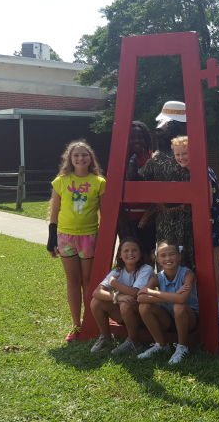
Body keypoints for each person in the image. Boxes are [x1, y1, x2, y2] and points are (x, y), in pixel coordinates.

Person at [47, 140, 106, 342]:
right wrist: (51, 239)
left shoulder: (99, 182)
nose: (80, 158)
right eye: (76, 155)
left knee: (88, 281)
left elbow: (105, 214)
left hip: (89, 236)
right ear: (70, 159)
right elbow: (54, 212)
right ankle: (76, 324)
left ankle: (91, 322)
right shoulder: (61, 181)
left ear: (91, 159)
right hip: (65, 237)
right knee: (72, 281)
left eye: (84, 155)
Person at [129, 105, 194, 270]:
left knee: (188, 251)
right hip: (163, 217)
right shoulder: (157, 157)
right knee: (166, 251)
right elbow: (143, 179)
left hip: (186, 216)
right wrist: (134, 175)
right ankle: (167, 285)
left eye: (167, 124)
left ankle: (189, 286)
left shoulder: (189, 156)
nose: (160, 128)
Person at [170, 135, 219, 292]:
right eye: (177, 154)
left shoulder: (202, 170)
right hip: (204, 218)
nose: (181, 157)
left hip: (213, 219)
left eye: (185, 153)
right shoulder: (190, 170)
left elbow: (207, 202)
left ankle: (218, 301)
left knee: (213, 262)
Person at [136, 240, 199, 364]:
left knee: (178, 306)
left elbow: (181, 300)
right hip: (168, 319)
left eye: (172, 254)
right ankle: (161, 345)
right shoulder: (157, 277)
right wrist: (174, 295)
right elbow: (140, 298)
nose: (168, 259)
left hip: (189, 319)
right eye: (163, 256)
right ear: (157, 259)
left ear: (179, 256)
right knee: (144, 307)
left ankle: (182, 346)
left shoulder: (188, 275)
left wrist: (153, 292)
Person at [89, 237, 155, 354]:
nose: (130, 253)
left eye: (134, 250)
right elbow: (97, 292)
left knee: (126, 304)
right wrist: (118, 297)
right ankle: (106, 337)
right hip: (123, 312)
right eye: (126, 251)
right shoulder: (117, 271)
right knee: (96, 302)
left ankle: (134, 342)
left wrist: (114, 283)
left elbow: (135, 293)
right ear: (119, 254)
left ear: (140, 253)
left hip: (143, 314)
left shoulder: (146, 269)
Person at [120, 121, 156, 260]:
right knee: (130, 256)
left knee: (148, 255)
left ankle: (147, 282)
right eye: (132, 137)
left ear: (146, 139)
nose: (137, 140)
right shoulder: (120, 159)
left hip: (149, 217)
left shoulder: (153, 158)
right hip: (127, 218)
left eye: (140, 137)